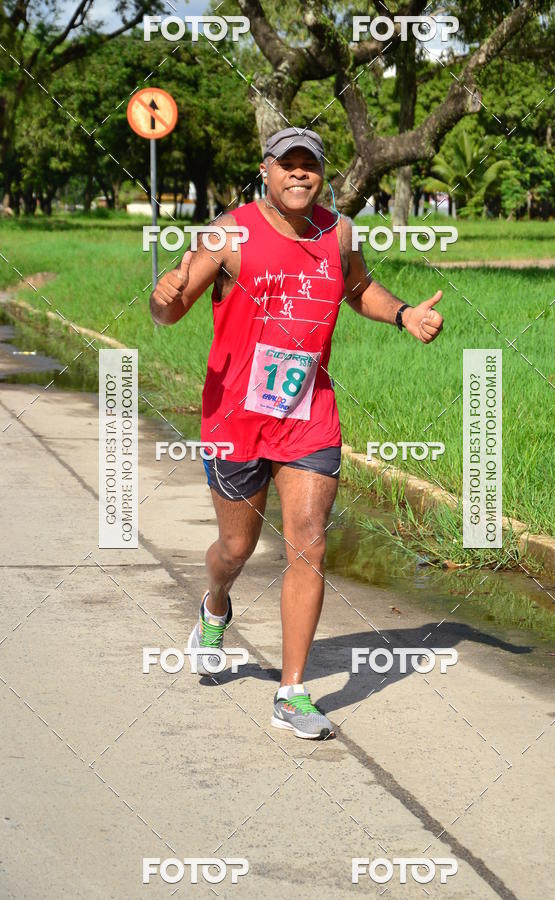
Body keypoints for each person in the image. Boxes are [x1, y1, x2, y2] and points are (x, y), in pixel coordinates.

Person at [149, 127, 443, 740]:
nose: (300, 174)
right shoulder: (228, 234)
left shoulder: (338, 234)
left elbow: (359, 289)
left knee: (308, 538)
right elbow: (172, 307)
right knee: (236, 550)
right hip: (235, 418)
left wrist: (404, 313)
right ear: (267, 171)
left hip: (309, 413)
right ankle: (215, 605)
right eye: (289, 164)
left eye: (310, 165)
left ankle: (292, 691)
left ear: (321, 174)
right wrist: (164, 295)